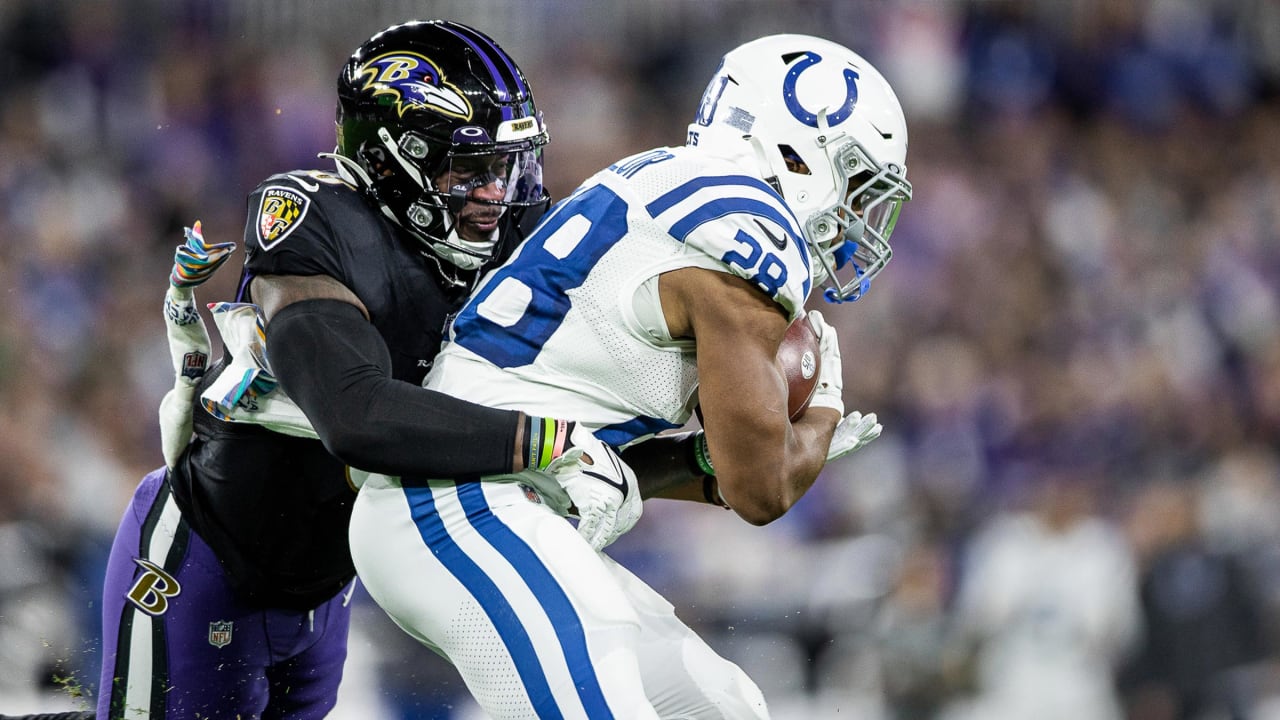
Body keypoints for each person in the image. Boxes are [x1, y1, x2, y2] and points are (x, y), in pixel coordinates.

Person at [348, 32, 912, 719]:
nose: (855, 220)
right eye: (856, 183)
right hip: (461, 504)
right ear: (799, 153)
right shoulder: (749, 228)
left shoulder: (665, 177)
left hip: (498, 499)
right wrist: (819, 411)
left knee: (723, 706)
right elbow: (762, 490)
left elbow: (610, 454)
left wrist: (706, 454)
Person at [96, 20, 638, 719]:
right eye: (466, 168)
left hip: (324, 596)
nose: (492, 194)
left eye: (503, 167)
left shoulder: (496, 238)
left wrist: (700, 447)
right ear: (390, 159)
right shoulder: (315, 221)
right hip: (205, 563)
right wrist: (552, 444)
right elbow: (356, 413)